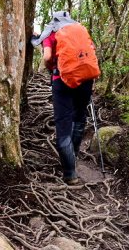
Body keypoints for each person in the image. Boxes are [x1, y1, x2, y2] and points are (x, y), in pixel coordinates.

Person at [31, 11, 95, 184]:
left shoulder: (51, 32)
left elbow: (47, 57)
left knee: (63, 123)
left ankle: (70, 173)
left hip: (62, 80)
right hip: (85, 79)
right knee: (79, 117)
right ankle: (73, 155)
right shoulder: (79, 29)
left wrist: (50, 68)